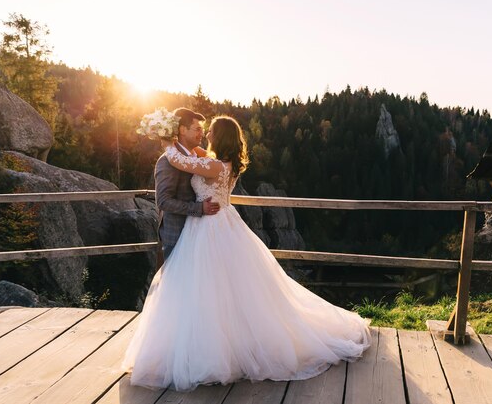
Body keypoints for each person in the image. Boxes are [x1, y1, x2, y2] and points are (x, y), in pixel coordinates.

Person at [122, 115, 371, 391]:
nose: (206, 136)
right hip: (221, 223)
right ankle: (218, 344)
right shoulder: (221, 163)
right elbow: (192, 156)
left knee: (210, 289)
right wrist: (177, 138)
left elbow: (181, 160)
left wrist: (165, 138)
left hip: (210, 227)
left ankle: (214, 351)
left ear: (220, 137)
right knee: (224, 290)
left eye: (211, 132)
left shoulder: (213, 165)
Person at [154, 108, 220, 262]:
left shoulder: (198, 157)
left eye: (202, 129)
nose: (202, 133)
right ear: (182, 130)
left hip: (201, 234)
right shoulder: (167, 162)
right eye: (197, 129)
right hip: (177, 236)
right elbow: (163, 201)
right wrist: (199, 208)